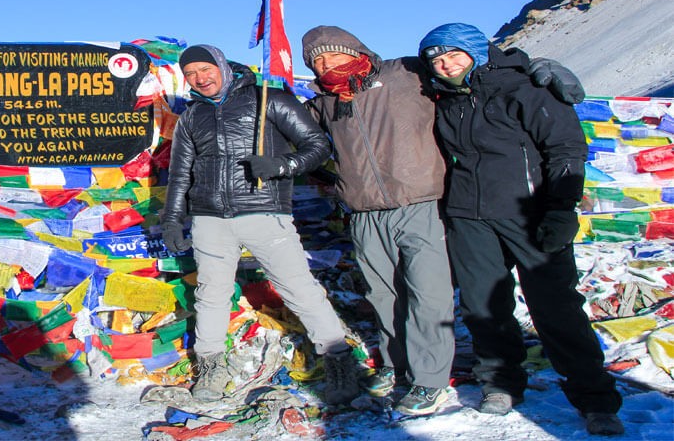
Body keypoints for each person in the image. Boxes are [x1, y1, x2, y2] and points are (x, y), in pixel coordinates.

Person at [418, 23, 624, 436]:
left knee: (556, 307)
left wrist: (561, 209)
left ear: (476, 52)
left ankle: (595, 397)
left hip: (529, 214)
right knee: (482, 306)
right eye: (436, 60)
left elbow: (565, 148)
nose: (445, 65)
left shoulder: (525, 86)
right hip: (469, 216)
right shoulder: (442, 97)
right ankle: (501, 382)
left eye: (454, 55)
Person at [160, 44, 358, 405]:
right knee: (211, 295)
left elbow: (318, 146)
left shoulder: (269, 99)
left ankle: (339, 361)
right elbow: (180, 173)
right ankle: (211, 366)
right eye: (190, 74)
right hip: (209, 218)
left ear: (221, 66)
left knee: (300, 290)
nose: (200, 79)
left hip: (264, 211)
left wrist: (282, 167)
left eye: (205, 69)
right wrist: (173, 219)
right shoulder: (191, 116)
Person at [300, 25, 458, 416]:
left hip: (420, 204)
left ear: (354, 50)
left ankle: (430, 381)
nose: (324, 64)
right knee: (383, 295)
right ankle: (396, 365)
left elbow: (459, 68)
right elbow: (299, 142)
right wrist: (332, 177)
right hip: (365, 213)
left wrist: (516, 66)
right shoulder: (325, 103)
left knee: (428, 294)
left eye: (331, 55)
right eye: (316, 61)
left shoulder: (405, 73)